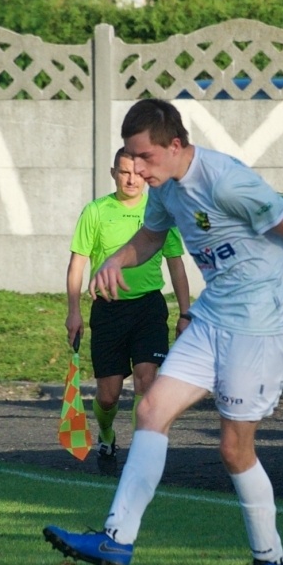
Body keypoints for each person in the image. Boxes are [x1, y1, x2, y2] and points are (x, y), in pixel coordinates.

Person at [43, 98, 283, 565]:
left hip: (257, 326)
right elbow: (150, 238)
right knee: (151, 411)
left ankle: (270, 559)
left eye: (144, 157)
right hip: (213, 316)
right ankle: (117, 541)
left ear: (175, 145)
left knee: (234, 450)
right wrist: (116, 261)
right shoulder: (164, 188)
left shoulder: (226, 181)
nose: (136, 167)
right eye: (129, 157)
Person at [66, 149, 192, 476]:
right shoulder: (96, 212)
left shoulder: (158, 210)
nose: (132, 179)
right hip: (108, 310)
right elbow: (77, 264)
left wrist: (185, 312)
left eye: (137, 172)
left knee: (147, 379)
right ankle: (106, 436)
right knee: (108, 395)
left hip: (148, 307)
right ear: (114, 173)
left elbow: (176, 263)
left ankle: (141, 450)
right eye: (124, 172)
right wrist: (73, 311)